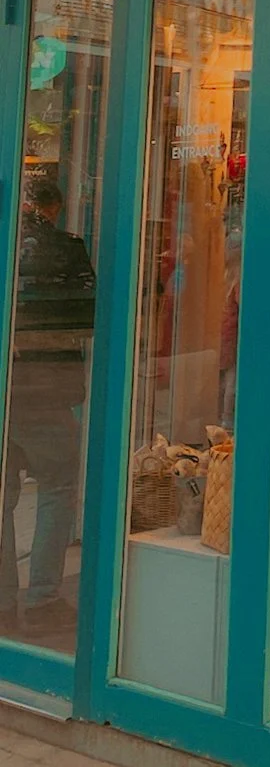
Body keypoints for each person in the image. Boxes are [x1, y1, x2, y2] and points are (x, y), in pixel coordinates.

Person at [1, 182, 96, 635]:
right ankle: (42, 599)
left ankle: (3, 599)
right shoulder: (66, 248)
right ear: (54, 208)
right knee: (58, 489)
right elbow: (90, 311)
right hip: (48, 389)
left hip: (8, 390)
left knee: (3, 500)